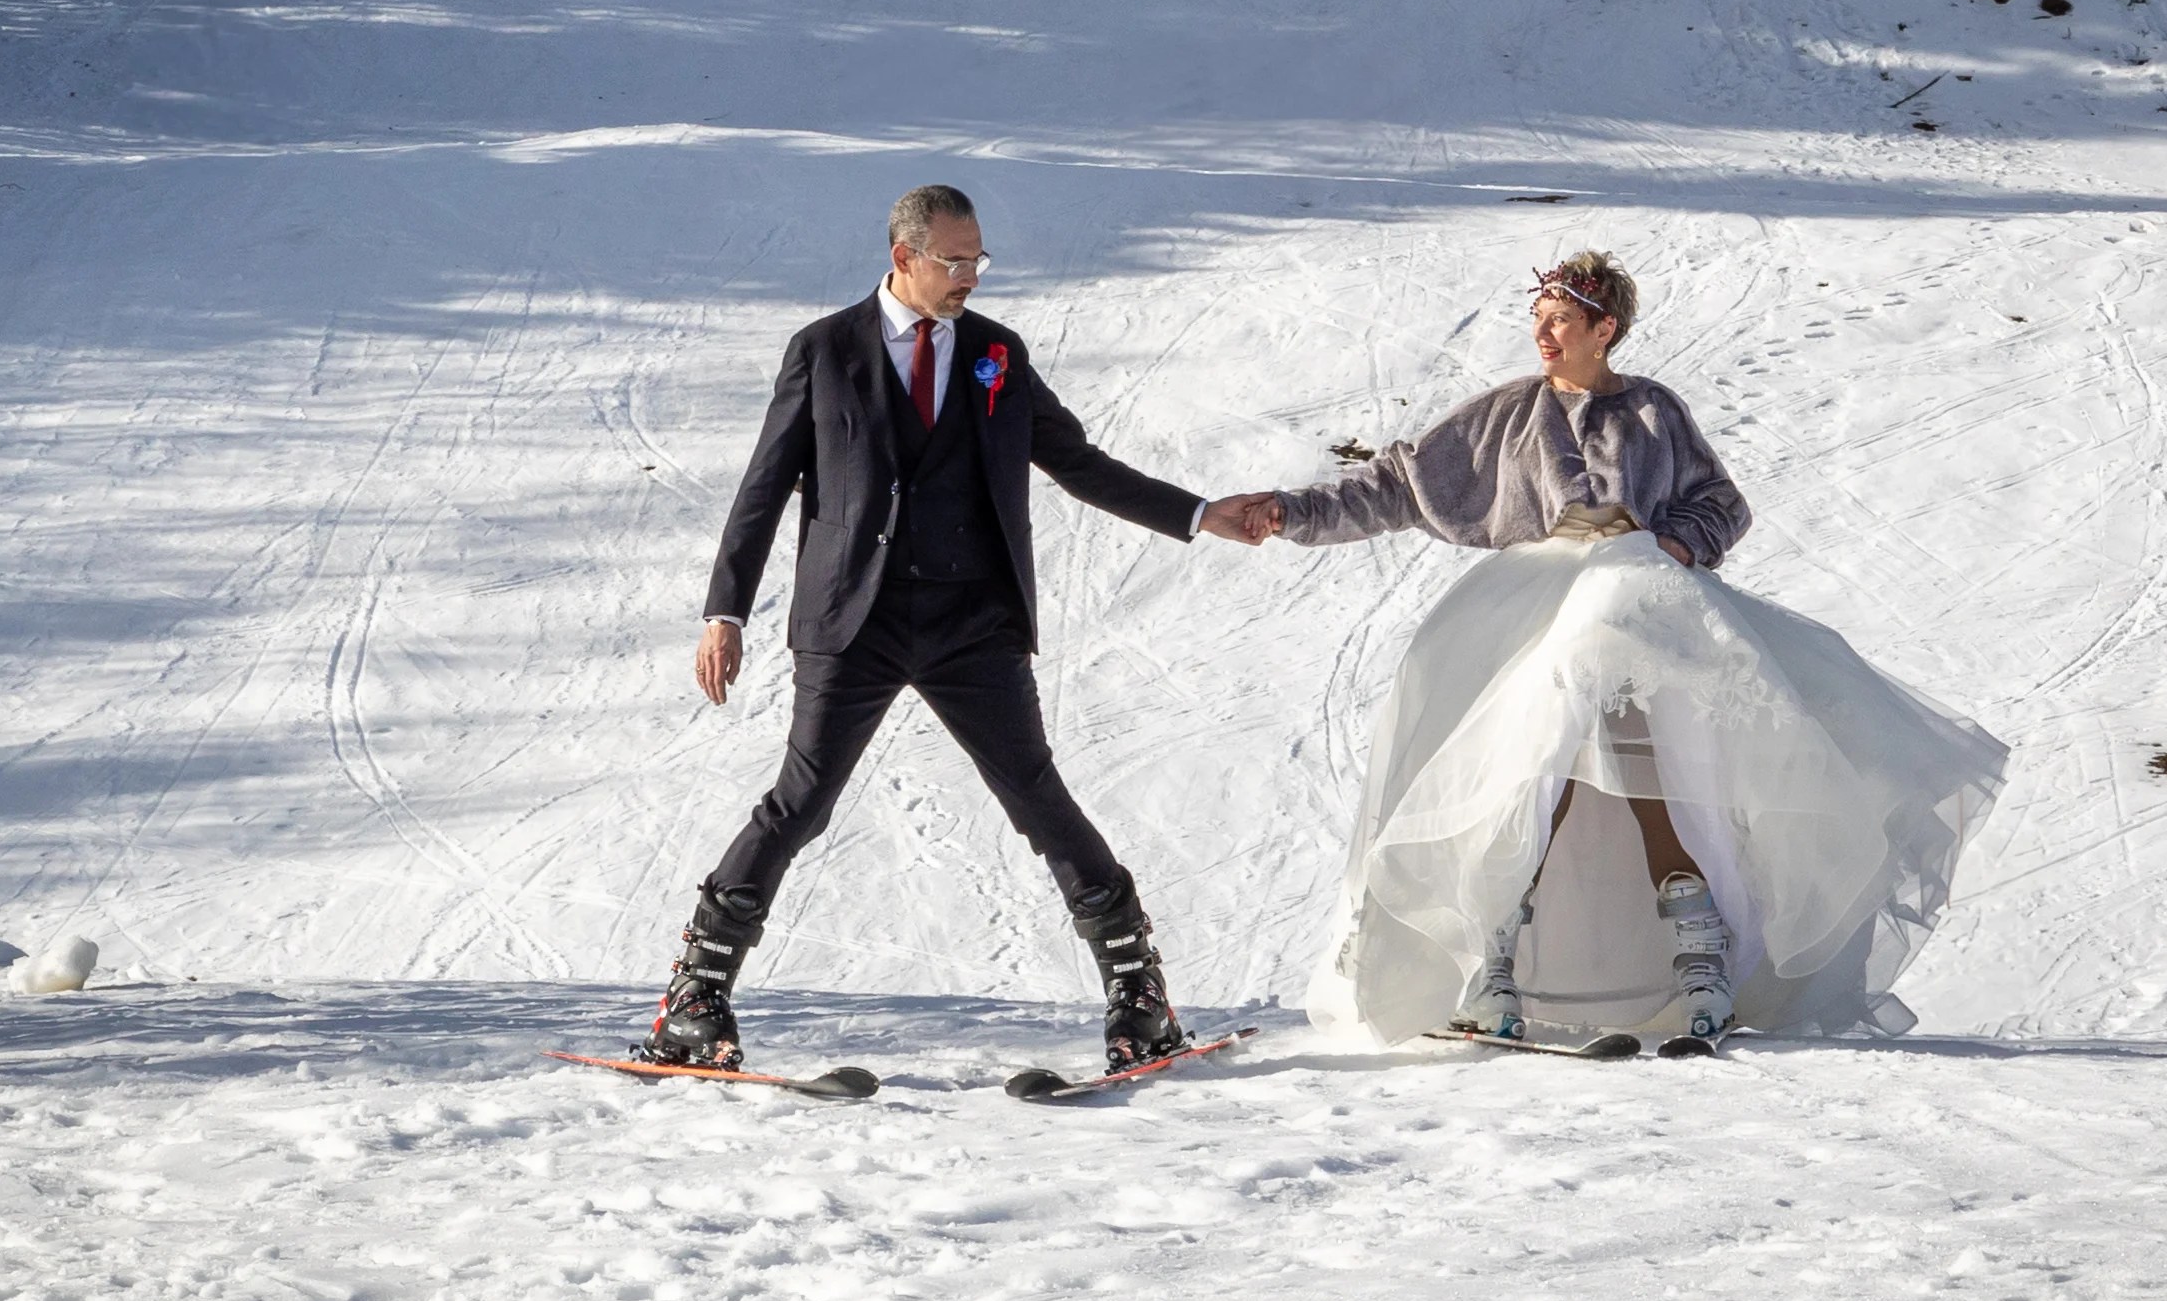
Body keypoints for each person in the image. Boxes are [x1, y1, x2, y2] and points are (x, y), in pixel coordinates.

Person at [1263, 251, 2006, 1049]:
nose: (1544, 334)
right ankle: (1497, 967)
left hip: (1636, 603)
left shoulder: (1653, 411)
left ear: (1604, 328)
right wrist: (1286, 512)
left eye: (1561, 319)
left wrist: (1674, 545)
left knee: (1651, 770)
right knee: (1530, 768)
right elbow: (1397, 485)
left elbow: (1721, 503)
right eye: (1539, 319)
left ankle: (1694, 965)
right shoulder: (1509, 413)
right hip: (1539, 606)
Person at [647, 184, 1284, 1074]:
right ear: (903, 256)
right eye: (955, 260)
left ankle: (1140, 997)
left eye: (978, 258)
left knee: (1037, 796)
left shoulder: (996, 354)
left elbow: (1078, 463)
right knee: (802, 800)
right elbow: (764, 487)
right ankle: (696, 996)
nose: (971, 276)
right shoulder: (824, 350)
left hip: (972, 621)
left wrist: (1200, 513)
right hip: (853, 619)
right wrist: (725, 611)